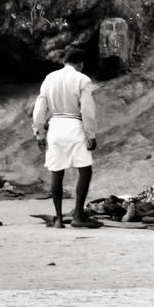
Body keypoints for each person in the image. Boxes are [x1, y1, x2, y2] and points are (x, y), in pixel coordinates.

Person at [31, 50, 102, 229]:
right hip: (75, 126)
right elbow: (87, 110)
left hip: (55, 126)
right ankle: (79, 214)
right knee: (84, 170)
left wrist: (39, 132)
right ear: (80, 64)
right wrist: (90, 134)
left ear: (65, 61)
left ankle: (59, 219)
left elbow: (40, 108)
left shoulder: (49, 78)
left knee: (57, 172)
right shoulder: (83, 80)